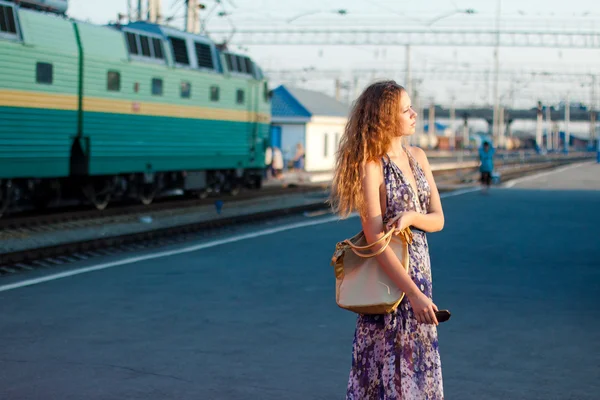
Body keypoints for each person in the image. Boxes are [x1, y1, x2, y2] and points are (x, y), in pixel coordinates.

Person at [329, 80, 445, 399]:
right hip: (390, 284)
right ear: (384, 117)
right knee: (387, 379)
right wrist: (413, 294)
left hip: (420, 278)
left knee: (417, 375)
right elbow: (375, 238)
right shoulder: (372, 167)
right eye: (406, 109)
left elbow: (438, 219)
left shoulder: (418, 156)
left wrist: (411, 217)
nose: (414, 113)